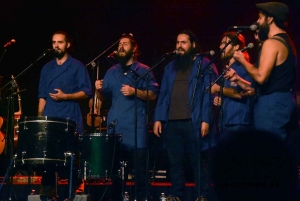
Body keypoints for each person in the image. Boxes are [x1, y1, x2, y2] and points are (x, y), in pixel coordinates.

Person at [153, 30, 218, 201]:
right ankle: (176, 196)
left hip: (193, 121)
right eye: (177, 42)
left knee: (197, 162)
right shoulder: (170, 67)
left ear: (193, 45)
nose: (179, 46)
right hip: (172, 122)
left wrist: (205, 119)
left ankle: (201, 196)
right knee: (175, 163)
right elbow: (163, 95)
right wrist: (158, 118)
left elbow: (208, 95)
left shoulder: (204, 64)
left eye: (184, 42)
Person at [95, 33, 159, 201]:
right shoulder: (112, 71)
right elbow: (103, 97)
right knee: (116, 177)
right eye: (119, 45)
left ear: (134, 49)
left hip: (136, 132)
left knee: (140, 177)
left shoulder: (143, 70)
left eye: (125, 44)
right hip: (115, 131)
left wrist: (134, 91)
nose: (120, 47)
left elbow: (153, 95)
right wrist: (98, 89)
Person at [38, 30, 93, 199]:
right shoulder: (47, 67)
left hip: (70, 117)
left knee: (72, 158)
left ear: (68, 44)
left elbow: (87, 92)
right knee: (48, 159)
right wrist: (40, 118)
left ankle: (74, 192)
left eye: (60, 42)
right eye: (54, 42)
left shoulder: (77, 66)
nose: (56, 45)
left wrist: (66, 96)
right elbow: (42, 95)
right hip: (50, 117)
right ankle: (47, 194)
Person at [232, 2, 298, 140]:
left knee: (268, 148)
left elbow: (261, 77)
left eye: (260, 18)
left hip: (272, 105)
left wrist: (242, 60)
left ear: (270, 19)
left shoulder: (271, 43)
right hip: (285, 101)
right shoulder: (288, 42)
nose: (257, 21)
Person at [210, 32, 254, 138]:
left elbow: (244, 93)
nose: (221, 46)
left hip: (239, 121)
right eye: (221, 43)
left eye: (225, 43)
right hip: (225, 121)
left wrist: (218, 88)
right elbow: (229, 91)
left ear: (236, 47)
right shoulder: (225, 69)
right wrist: (220, 99)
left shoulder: (245, 67)